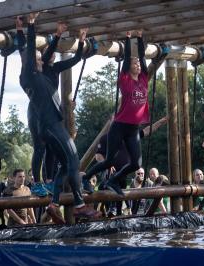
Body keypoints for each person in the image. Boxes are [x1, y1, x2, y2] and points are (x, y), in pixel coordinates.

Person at [19, 13, 100, 224]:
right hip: (47, 124)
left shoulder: (45, 73)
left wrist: (80, 42)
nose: (42, 60)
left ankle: (54, 204)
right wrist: (30, 25)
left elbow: (58, 58)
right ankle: (80, 205)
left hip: (53, 122)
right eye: (38, 58)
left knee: (65, 165)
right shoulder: (30, 75)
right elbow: (29, 51)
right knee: (72, 159)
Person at [16, 17, 88, 185]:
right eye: (48, 52)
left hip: (51, 109)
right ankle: (38, 181)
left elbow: (75, 60)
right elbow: (29, 50)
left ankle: (50, 178)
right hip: (37, 110)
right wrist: (57, 35)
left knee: (54, 147)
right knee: (40, 146)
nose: (51, 54)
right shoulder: (38, 69)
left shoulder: (54, 68)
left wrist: (82, 42)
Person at [81, 30, 150, 196]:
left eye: (138, 64)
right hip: (119, 127)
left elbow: (142, 56)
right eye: (135, 64)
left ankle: (113, 180)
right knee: (109, 160)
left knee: (136, 164)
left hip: (133, 129)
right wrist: (127, 39)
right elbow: (126, 60)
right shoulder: (124, 80)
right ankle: (86, 178)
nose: (138, 65)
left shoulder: (143, 79)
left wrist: (140, 38)